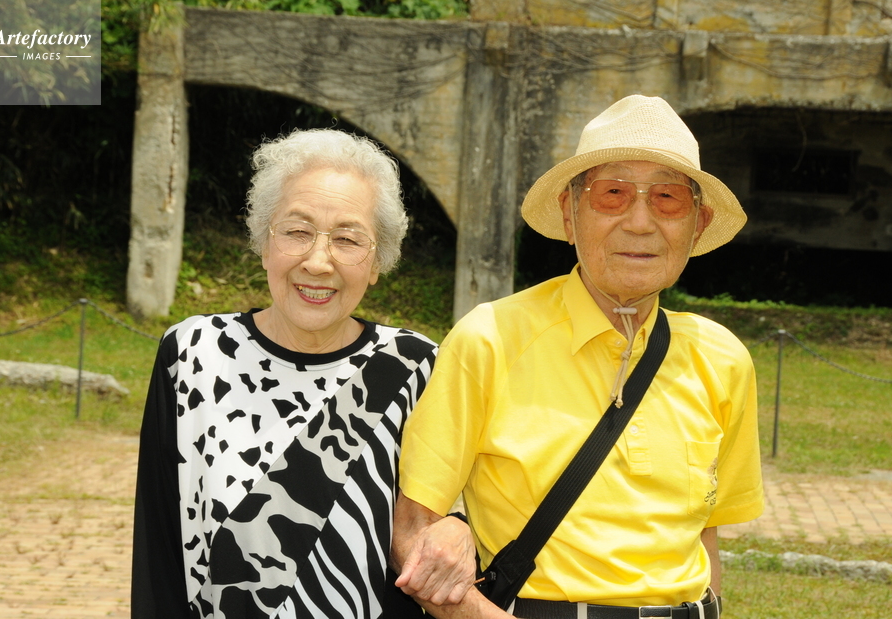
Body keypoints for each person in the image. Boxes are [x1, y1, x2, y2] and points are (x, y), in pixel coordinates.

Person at [392, 95, 765, 618]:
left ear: (697, 225)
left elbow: (704, 536)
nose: (640, 222)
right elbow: (414, 533)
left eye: (668, 198)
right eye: (612, 194)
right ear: (570, 214)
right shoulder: (490, 339)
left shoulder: (723, 358)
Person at [132, 128, 468, 618]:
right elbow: (159, 548)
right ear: (264, 243)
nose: (318, 262)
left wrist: (460, 530)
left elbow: (448, 521)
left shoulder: (415, 366)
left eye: (348, 239)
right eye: (297, 231)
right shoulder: (192, 354)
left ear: (377, 262)